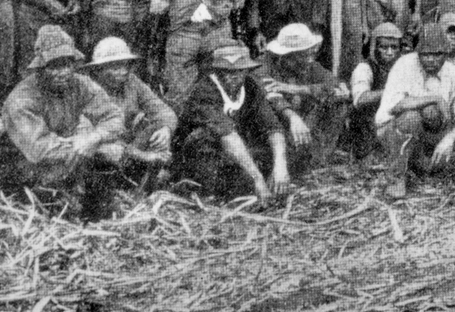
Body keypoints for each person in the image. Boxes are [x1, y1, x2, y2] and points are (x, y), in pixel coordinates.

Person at [0, 26, 124, 220]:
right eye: (54, 66)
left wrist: (95, 138)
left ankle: (96, 219)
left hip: (68, 155)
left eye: (68, 64)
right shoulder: (22, 100)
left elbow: (114, 116)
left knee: (105, 171)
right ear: (40, 68)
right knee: (54, 198)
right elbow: (40, 150)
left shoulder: (81, 84)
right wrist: (93, 147)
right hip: (22, 164)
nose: (63, 72)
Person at [172, 44, 290, 204]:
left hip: (235, 152)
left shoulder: (252, 86)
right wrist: (257, 178)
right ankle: (206, 194)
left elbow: (272, 126)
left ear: (246, 71)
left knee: (277, 145)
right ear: (216, 71)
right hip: (198, 156)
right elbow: (227, 135)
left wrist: (280, 165)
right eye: (225, 72)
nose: (231, 77)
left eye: (238, 72)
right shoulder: (204, 91)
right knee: (203, 137)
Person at [375, 23, 455, 183]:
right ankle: (398, 177)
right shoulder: (404, 65)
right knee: (414, 116)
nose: (431, 60)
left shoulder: (454, 74)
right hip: (394, 131)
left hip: (434, 132)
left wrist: (449, 139)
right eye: (425, 54)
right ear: (417, 53)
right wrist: (435, 98)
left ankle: (433, 167)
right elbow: (395, 105)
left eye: (437, 54)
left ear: (446, 54)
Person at [84, 37, 176, 183]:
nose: (123, 71)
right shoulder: (87, 90)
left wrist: (166, 129)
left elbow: (162, 110)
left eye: (126, 66)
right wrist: (140, 155)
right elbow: (99, 137)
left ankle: (148, 180)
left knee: (157, 129)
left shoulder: (132, 82)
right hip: (105, 148)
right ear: (98, 70)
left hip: (128, 146)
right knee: (108, 152)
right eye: (115, 67)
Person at [261, 23, 349, 171]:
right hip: (277, 132)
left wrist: (295, 89)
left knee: (338, 101)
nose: (309, 60)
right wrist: (292, 117)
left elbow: (336, 86)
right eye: (301, 55)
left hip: (304, 127)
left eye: (310, 54)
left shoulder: (310, 66)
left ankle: (318, 158)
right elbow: (272, 97)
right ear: (285, 56)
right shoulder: (265, 68)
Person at [347, 22, 404, 158]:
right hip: (369, 126)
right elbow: (360, 100)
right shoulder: (365, 68)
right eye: (384, 47)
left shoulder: (404, 65)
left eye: (394, 47)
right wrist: (391, 92)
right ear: (374, 47)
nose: (389, 52)